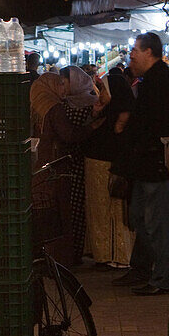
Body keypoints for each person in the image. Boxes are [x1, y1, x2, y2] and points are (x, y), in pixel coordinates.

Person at [110, 32, 169, 295]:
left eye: (134, 52)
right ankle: (147, 267)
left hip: (155, 165)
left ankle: (165, 277)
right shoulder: (151, 80)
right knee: (141, 217)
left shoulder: (160, 82)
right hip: (145, 164)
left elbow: (153, 125)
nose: (130, 58)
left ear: (149, 53)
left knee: (158, 222)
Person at [30, 68, 107, 267]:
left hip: (47, 164)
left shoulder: (42, 104)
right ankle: (65, 258)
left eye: (63, 83)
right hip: (58, 165)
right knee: (64, 213)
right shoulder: (55, 108)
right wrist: (92, 127)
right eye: (59, 84)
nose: (62, 88)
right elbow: (69, 135)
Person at [83, 65, 136, 268]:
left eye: (104, 90)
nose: (100, 93)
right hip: (102, 165)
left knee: (109, 210)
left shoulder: (119, 119)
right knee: (102, 210)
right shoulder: (107, 114)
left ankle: (113, 254)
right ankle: (105, 253)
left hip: (106, 166)